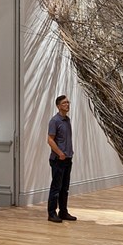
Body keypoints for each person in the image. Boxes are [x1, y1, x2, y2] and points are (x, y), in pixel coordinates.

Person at [46, 94, 77, 223]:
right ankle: (51, 213)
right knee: (56, 187)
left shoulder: (67, 120)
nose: (67, 104)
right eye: (64, 103)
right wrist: (60, 153)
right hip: (58, 160)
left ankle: (63, 211)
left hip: (67, 159)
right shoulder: (55, 121)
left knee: (65, 187)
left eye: (68, 102)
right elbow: (50, 140)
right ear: (58, 106)